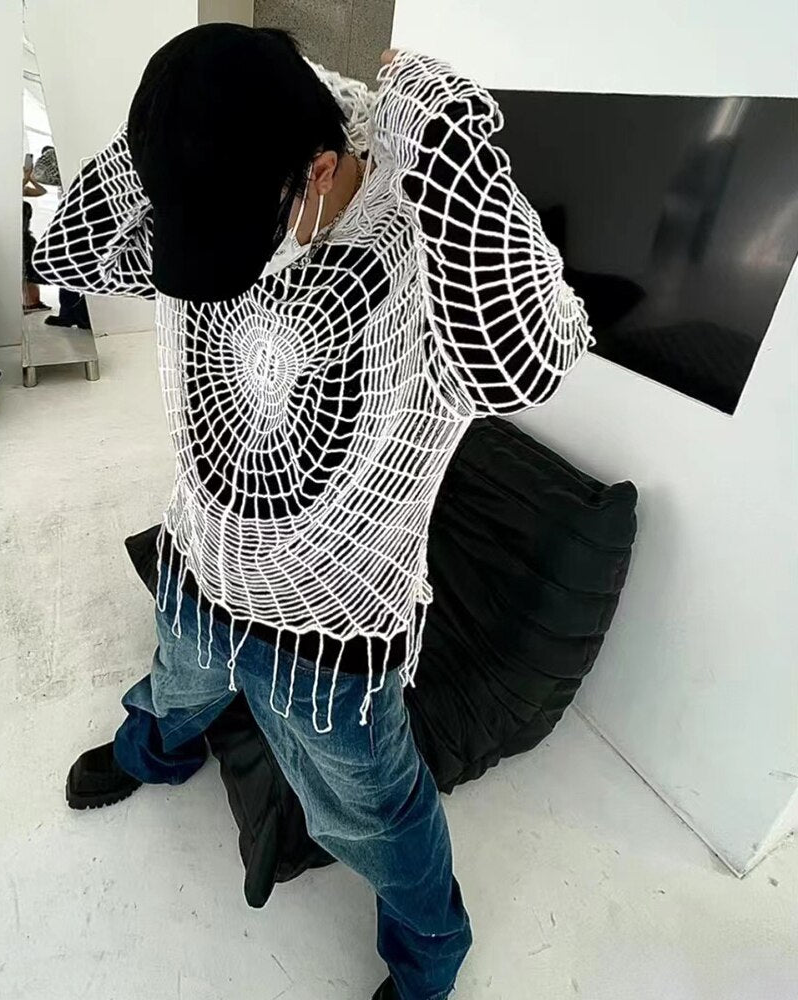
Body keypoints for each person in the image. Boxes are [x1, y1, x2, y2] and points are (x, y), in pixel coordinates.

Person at [34, 24, 590, 1000]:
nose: (226, 266)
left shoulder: (419, 247)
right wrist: (171, 129)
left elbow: (530, 360)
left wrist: (444, 134)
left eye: (241, 236)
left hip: (330, 636)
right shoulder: (211, 193)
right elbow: (70, 246)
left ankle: (429, 960)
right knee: (172, 690)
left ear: (322, 170)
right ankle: (152, 754)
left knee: (373, 814)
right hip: (200, 562)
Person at [21, 199, 48, 313]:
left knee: (29, 271)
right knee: (29, 271)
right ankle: (31, 302)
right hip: (23, 238)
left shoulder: (23, 205)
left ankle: (31, 302)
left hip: (25, 237)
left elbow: (41, 191)